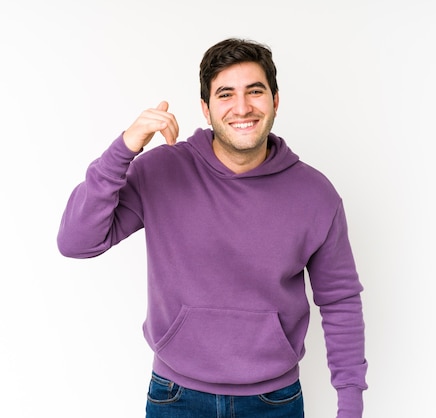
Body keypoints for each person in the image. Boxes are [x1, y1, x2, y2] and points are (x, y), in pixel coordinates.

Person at [57, 37, 368, 418]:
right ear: (205, 108)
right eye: (225, 94)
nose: (242, 107)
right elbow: (77, 241)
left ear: (275, 101)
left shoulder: (315, 195)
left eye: (255, 91)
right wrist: (124, 148)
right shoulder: (161, 171)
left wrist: (350, 404)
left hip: (275, 401)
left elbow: (340, 301)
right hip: (176, 397)